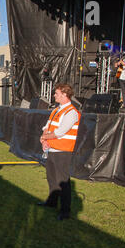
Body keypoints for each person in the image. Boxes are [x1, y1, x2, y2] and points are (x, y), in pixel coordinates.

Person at [39, 84, 81, 221]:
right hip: (52, 149)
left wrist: (45, 138)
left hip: (63, 151)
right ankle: (51, 202)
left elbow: (60, 132)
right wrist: (44, 138)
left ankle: (65, 211)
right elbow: (47, 126)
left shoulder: (71, 112)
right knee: (52, 178)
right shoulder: (56, 110)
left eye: (56, 93)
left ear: (64, 95)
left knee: (63, 181)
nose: (54, 95)